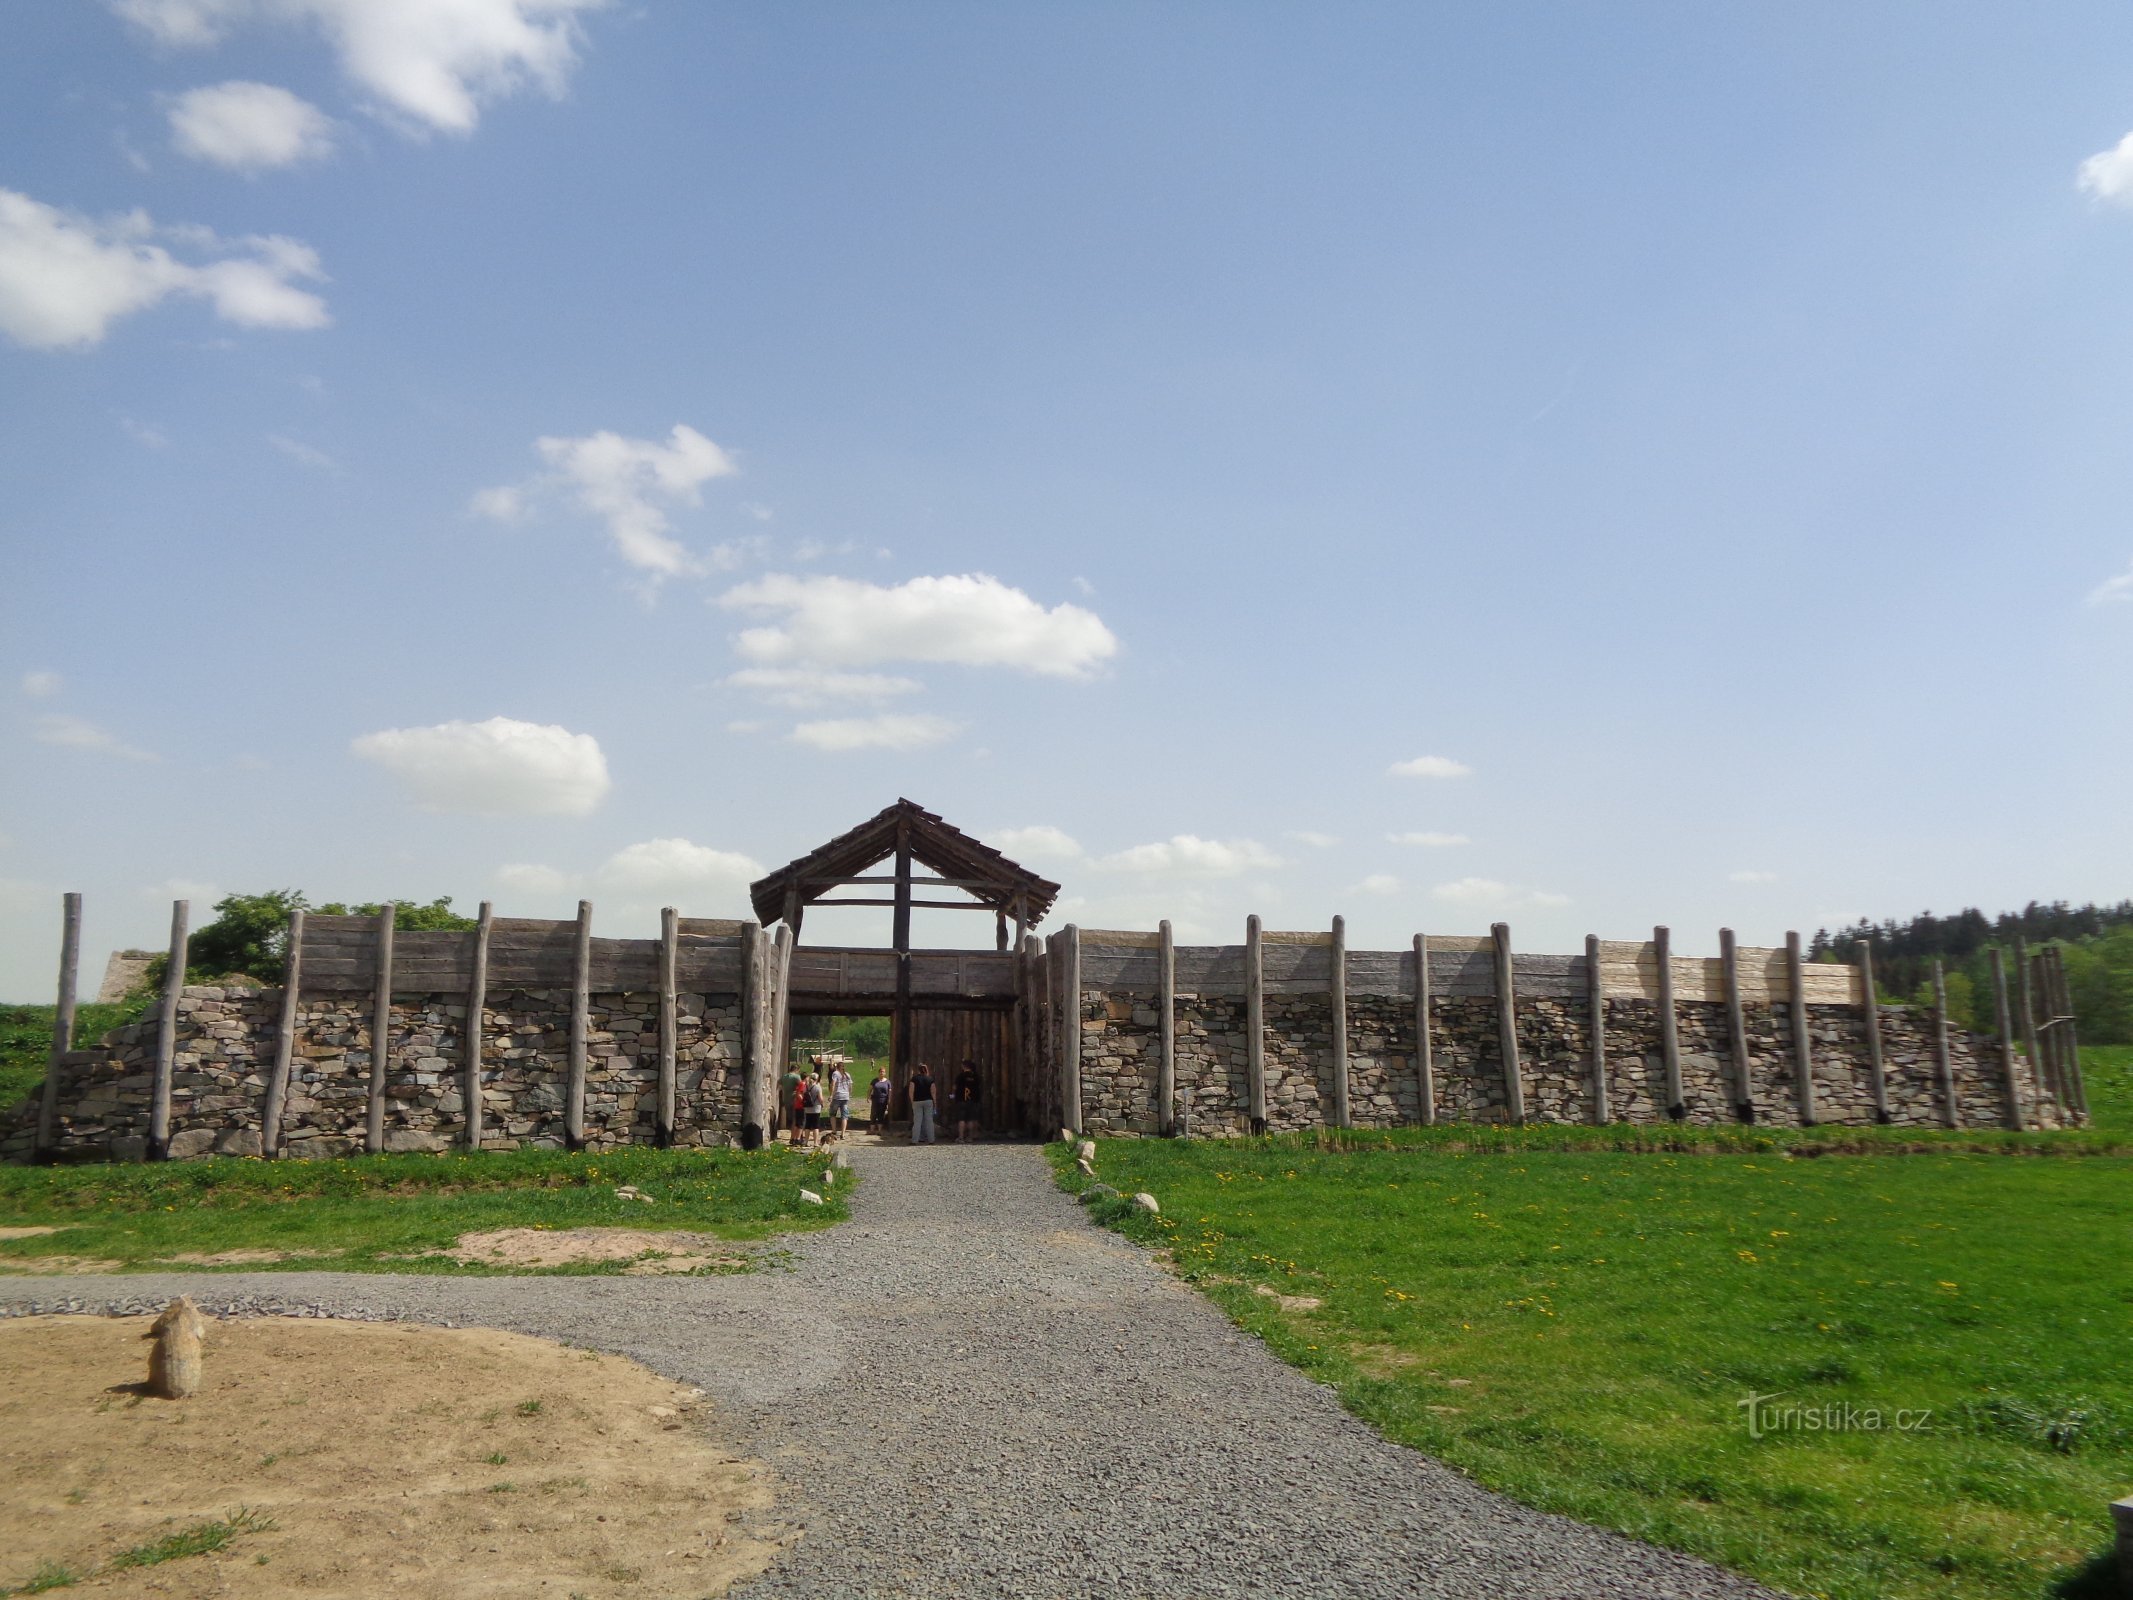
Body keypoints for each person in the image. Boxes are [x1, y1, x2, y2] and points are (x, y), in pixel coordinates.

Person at [952, 1058, 982, 1143]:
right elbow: (978, 1088)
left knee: (961, 1119)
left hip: (961, 1100)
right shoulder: (976, 1076)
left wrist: (953, 1096)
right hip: (972, 1100)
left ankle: (961, 1137)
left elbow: (954, 1087)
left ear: (964, 1066)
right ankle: (970, 1137)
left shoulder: (960, 1076)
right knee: (970, 1119)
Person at [908, 1062, 937, 1144]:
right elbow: (933, 1092)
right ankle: (931, 1140)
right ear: (926, 1070)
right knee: (929, 1121)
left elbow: (911, 1091)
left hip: (917, 1101)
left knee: (917, 1121)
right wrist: (935, 1103)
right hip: (928, 1101)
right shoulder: (930, 1079)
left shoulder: (914, 1079)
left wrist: (912, 1101)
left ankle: (914, 1140)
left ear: (918, 1070)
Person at [779, 1060, 804, 1143]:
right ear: (796, 1070)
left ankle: (794, 1135)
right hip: (794, 1099)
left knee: (790, 1119)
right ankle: (794, 1137)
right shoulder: (796, 1077)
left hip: (786, 1099)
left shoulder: (784, 1076)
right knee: (796, 1119)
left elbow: (779, 1085)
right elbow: (801, 1086)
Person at [828, 1060, 853, 1141]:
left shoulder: (835, 1073)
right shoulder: (848, 1074)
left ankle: (834, 1131)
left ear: (837, 1067)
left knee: (832, 1113)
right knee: (844, 1115)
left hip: (837, 1096)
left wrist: (831, 1095)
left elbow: (833, 1084)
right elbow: (850, 1086)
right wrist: (849, 1094)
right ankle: (843, 1133)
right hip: (845, 1096)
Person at [802, 1071, 826, 1150]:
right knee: (816, 1126)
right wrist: (822, 1103)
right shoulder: (817, 1087)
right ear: (817, 1079)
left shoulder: (807, 1086)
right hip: (816, 1108)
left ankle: (806, 1141)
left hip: (807, 1108)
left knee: (807, 1125)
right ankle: (815, 1142)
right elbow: (820, 1098)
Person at [869, 1067, 892, 1133]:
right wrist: (868, 1097)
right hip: (875, 1099)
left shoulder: (887, 1082)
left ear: (885, 1073)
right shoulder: (874, 1080)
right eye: (881, 1071)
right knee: (873, 1114)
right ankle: (872, 1130)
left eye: (883, 1072)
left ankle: (879, 1130)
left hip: (883, 1100)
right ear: (879, 1072)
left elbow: (890, 1091)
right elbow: (870, 1089)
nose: (882, 1073)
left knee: (881, 1114)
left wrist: (889, 1099)